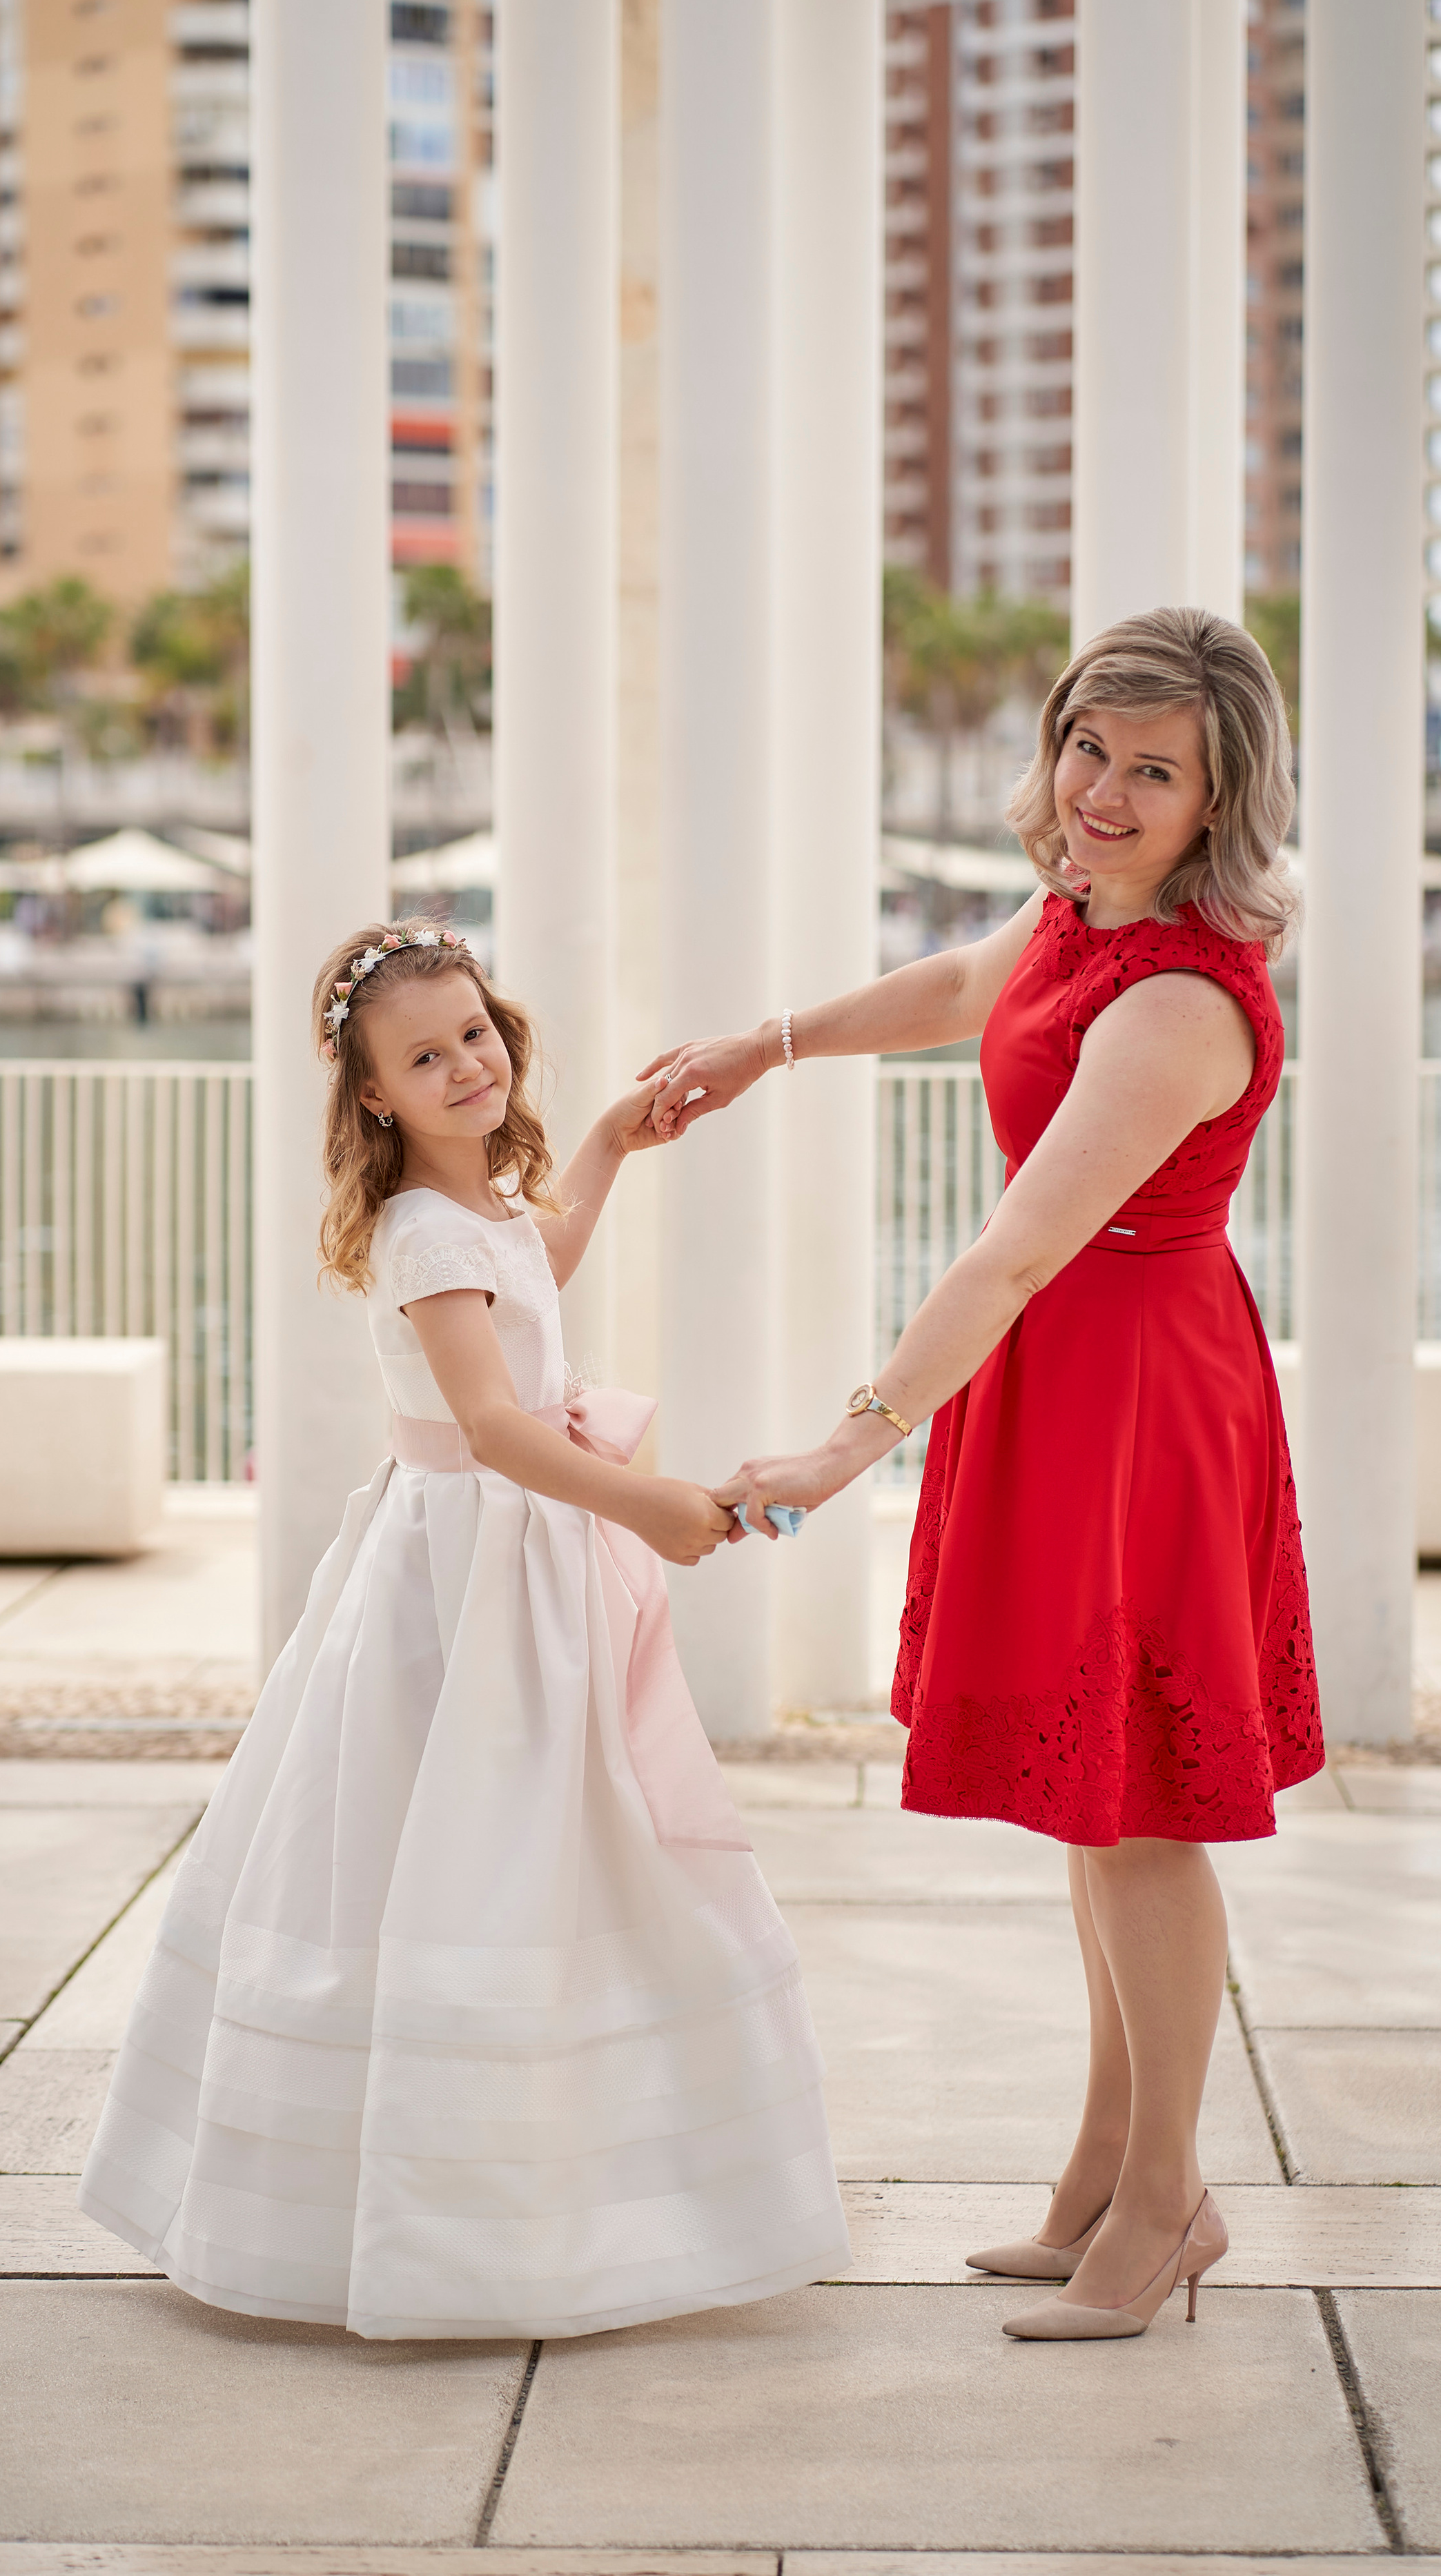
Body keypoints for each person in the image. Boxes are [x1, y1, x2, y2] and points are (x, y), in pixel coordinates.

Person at [645, 607, 1324, 2344]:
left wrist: (839, 1446)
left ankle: (1164, 2203)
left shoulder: (1178, 998)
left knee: (1142, 1816)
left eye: (1152, 770)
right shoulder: (1081, 911)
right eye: (1088, 746)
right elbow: (968, 986)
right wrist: (761, 1046)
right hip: (1060, 1377)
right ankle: (1103, 2170)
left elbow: (1013, 1253)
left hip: (1137, 1394)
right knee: (1093, 1803)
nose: (1101, 791)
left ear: (1217, 799)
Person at [79, 921, 850, 2338]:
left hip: (518, 1556)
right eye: (423, 1058)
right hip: (468, 1570)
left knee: (543, 1832)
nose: (464, 1067)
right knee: (466, 1837)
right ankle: (448, 2200)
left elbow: (539, 1260)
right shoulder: (423, 1232)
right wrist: (647, 1505)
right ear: (373, 1095)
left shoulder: (477, 1208)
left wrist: (608, 1141)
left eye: (475, 1035)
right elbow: (492, 1425)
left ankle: (532, 2174)